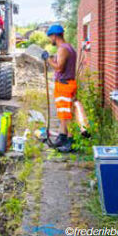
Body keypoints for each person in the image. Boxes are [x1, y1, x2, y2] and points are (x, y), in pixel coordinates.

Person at [41, 24, 77, 152]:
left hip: (64, 84)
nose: (50, 40)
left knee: (66, 115)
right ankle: (62, 137)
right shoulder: (68, 48)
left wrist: (47, 59)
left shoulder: (63, 49)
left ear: (55, 36)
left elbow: (59, 67)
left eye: (50, 37)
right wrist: (51, 58)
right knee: (63, 114)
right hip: (65, 84)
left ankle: (70, 142)